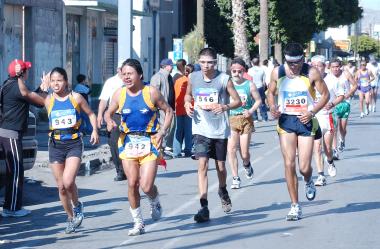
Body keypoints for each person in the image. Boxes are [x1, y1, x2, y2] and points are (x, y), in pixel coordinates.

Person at [104, 59, 173, 236]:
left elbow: (169, 110)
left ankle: (154, 200)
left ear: (140, 74)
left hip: (149, 142)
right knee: (132, 183)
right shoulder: (119, 94)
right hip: (127, 143)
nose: (126, 77)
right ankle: (138, 222)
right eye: (124, 74)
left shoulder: (151, 92)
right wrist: (109, 120)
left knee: (146, 185)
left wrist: (162, 131)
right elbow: (108, 111)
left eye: (130, 74)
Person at [267, 42, 329, 221]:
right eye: (290, 62)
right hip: (286, 120)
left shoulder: (312, 73)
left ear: (303, 58)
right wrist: (272, 107)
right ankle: (295, 205)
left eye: (297, 62)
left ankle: (308, 180)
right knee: (288, 163)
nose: (293, 66)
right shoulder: (277, 72)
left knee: (303, 167)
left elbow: (325, 95)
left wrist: (312, 112)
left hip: (305, 121)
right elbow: (270, 93)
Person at [184, 47, 242, 222]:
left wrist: (224, 107)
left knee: (221, 167)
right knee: (202, 165)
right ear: (198, 62)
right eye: (202, 62)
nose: (206, 66)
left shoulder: (224, 80)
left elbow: (238, 101)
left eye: (209, 62)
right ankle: (204, 206)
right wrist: (187, 104)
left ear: (215, 63)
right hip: (200, 129)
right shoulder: (193, 77)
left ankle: (222, 189)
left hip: (219, 130)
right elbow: (187, 95)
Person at [43, 67, 99, 233]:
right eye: (52, 81)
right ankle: (70, 217)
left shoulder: (76, 97)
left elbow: (90, 114)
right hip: (55, 145)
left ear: (66, 81)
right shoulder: (48, 99)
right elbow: (28, 96)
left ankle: (77, 205)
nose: (55, 84)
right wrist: (41, 88)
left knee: (68, 182)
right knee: (61, 187)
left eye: (59, 80)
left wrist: (95, 130)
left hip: (74, 143)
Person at [0, 59, 47, 217]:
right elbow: (40, 102)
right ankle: (12, 209)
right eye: (26, 69)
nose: (28, 72)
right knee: (15, 171)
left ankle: (10, 207)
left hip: (8, 133)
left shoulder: (10, 84)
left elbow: (30, 96)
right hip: (11, 133)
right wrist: (45, 89)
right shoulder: (17, 87)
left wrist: (40, 88)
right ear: (21, 73)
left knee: (14, 170)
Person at [227, 58, 261, 189]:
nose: (236, 74)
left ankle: (247, 165)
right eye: (233, 71)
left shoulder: (249, 85)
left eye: (239, 71)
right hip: (231, 119)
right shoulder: (228, 85)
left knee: (245, 153)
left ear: (244, 71)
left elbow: (258, 100)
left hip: (246, 119)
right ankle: (235, 178)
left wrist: (251, 110)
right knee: (231, 149)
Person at [310, 56, 344, 186]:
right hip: (314, 117)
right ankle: (320, 175)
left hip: (327, 116)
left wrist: (332, 103)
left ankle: (330, 161)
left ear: (325, 66)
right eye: (314, 65)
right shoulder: (308, 80)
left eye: (319, 65)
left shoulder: (332, 80)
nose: (316, 68)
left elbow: (341, 95)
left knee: (327, 148)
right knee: (316, 147)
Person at [97, 64, 126, 181]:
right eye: (122, 69)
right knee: (114, 143)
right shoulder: (111, 82)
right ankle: (120, 171)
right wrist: (100, 115)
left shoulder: (132, 80)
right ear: (118, 69)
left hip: (130, 116)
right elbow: (104, 99)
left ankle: (132, 168)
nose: (124, 73)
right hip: (115, 115)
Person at [332, 60, 358, 160]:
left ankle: (342, 139)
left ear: (340, 67)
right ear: (330, 67)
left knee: (342, 128)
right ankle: (334, 150)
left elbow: (355, 85)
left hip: (345, 103)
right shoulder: (329, 77)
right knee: (334, 128)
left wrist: (349, 93)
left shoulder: (346, 74)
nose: (335, 69)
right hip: (334, 103)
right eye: (333, 67)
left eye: (337, 66)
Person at [150, 58, 175, 157]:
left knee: (167, 128)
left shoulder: (168, 77)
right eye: (171, 65)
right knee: (162, 128)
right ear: (166, 66)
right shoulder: (158, 77)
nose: (172, 67)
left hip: (167, 108)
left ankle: (161, 149)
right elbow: (153, 92)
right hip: (160, 108)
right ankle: (159, 150)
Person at [172, 59, 192, 158]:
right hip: (189, 108)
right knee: (188, 130)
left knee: (178, 130)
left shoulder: (177, 81)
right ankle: (188, 150)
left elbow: (175, 94)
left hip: (178, 108)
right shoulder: (190, 81)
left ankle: (176, 151)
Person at [248, 57, 268, 122]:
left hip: (252, 87)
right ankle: (264, 117)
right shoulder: (262, 70)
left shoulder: (249, 70)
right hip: (260, 87)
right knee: (262, 102)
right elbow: (264, 81)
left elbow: (248, 80)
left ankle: (255, 118)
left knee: (253, 102)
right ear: (259, 62)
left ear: (252, 63)